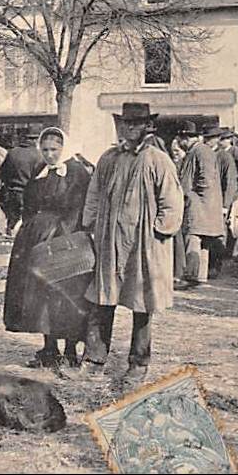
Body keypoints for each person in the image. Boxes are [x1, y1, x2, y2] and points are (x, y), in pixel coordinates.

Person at [75, 102, 183, 386]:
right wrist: (91, 224)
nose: (129, 129)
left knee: (142, 303)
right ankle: (94, 359)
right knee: (102, 299)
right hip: (110, 240)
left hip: (143, 244)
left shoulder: (157, 160)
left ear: (147, 126)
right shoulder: (109, 158)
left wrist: (159, 230)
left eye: (136, 124)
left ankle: (138, 362)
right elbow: (94, 193)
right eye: (125, 123)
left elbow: (171, 201)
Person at [3, 127, 91, 368]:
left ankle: (71, 350)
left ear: (64, 149)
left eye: (54, 150)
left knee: (67, 296)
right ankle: (49, 348)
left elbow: (80, 208)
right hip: (38, 239)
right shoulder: (40, 171)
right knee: (41, 295)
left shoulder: (76, 173)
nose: (50, 154)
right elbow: (28, 204)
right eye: (45, 150)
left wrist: (60, 233)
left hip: (67, 240)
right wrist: (29, 226)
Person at [176, 120, 225, 287]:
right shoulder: (205, 151)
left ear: (185, 139)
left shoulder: (196, 152)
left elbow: (195, 181)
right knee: (204, 242)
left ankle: (191, 276)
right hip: (208, 204)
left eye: (180, 140)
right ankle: (201, 276)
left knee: (193, 237)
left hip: (198, 204)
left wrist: (187, 196)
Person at [205, 127, 238, 279]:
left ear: (217, 139)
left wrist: (225, 205)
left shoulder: (224, 157)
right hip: (206, 201)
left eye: (211, 138)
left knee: (217, 236)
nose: (207, 141)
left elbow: (230, 182)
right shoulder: (204, 154)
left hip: (218, 202)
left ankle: (215, 266)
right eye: (206, 138)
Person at [0, 129, 42, 234]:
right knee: (28, 223)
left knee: (12, 221)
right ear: (36, 140)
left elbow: (2, 173)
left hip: (12, 192)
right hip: (30, 194)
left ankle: (9, 242)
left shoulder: (12, 153)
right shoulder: (38, 155)